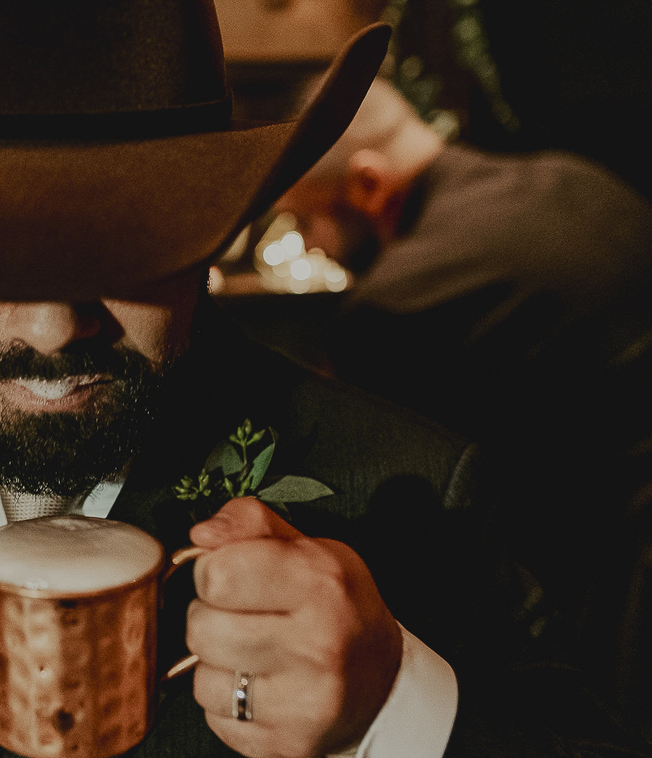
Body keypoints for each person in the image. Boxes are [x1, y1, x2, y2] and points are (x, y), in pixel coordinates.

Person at [0, 2, 652, 758]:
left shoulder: (411, 485)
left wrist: (388, 709)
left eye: (130, 240)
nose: (56, 326)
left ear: (209, 235)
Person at [273, 76, 652, 717]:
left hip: (616, 617)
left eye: (312, 217)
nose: (310, 243)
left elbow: (382, 494)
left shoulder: (400, 297)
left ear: (368, 184)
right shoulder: (573, 176)